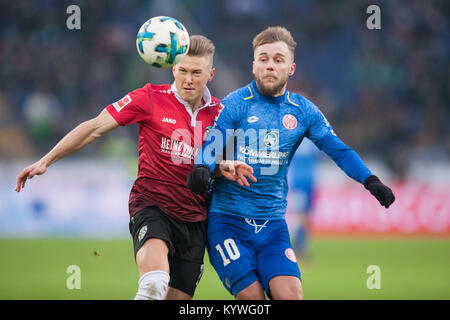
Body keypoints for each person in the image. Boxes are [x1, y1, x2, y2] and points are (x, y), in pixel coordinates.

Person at [15, 35, 254, 300]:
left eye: (196, 73)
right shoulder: (149, 97)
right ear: (173, 68)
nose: (188, 79)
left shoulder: (221, 114)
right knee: (154, 283)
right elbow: (94, 128)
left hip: (195, 221)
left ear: (210, 74)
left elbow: (212, 167)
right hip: (152, 207)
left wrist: (223, 169)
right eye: (183, 70)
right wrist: (45, 160)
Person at [187, 27, 395, 300]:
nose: (270, 65)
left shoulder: (304, 111)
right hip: (228, 222)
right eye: (263, 59)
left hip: (273, 226)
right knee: (252, 298)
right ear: (253, 65)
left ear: (291, 68)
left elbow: (339, 151)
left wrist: (370, 180)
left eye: (277, 59)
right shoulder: (235, 104)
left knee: (291, 296)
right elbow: (210, 146)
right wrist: (202, 168)